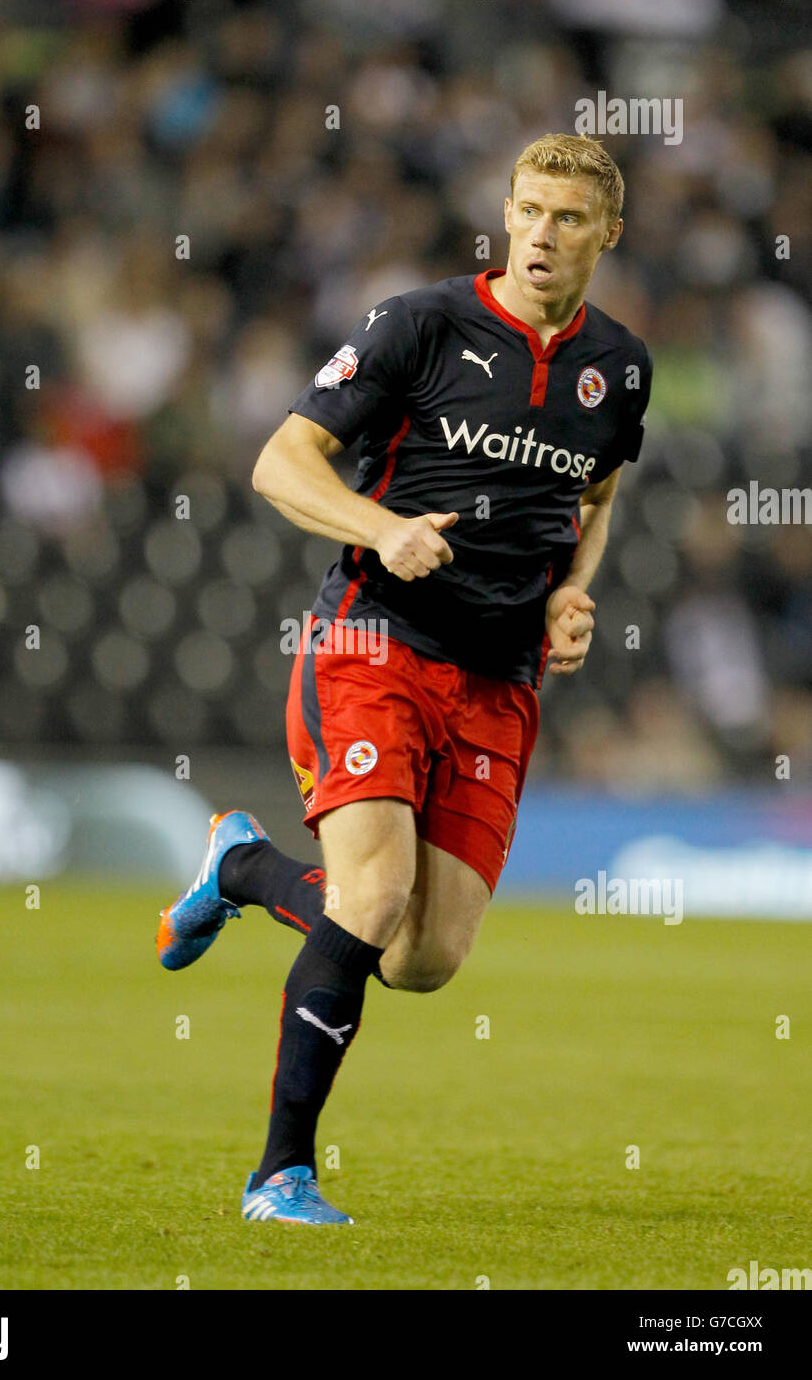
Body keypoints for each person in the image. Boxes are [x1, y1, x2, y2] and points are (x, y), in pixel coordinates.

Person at [156, 133, 653, 1224]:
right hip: (372, 643)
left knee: (421, 960)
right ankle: (279, 1173)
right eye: (526, 210)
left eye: (566, 218)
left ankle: (242, 867)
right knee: (372, 900)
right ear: (505, 214)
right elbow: (281, 461)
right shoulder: (420, 323)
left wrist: (572, 594)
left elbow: (598, 498)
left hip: (500, 677)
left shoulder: (617, 366)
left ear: (605, 233)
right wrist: (380, 528)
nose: (539, 234)